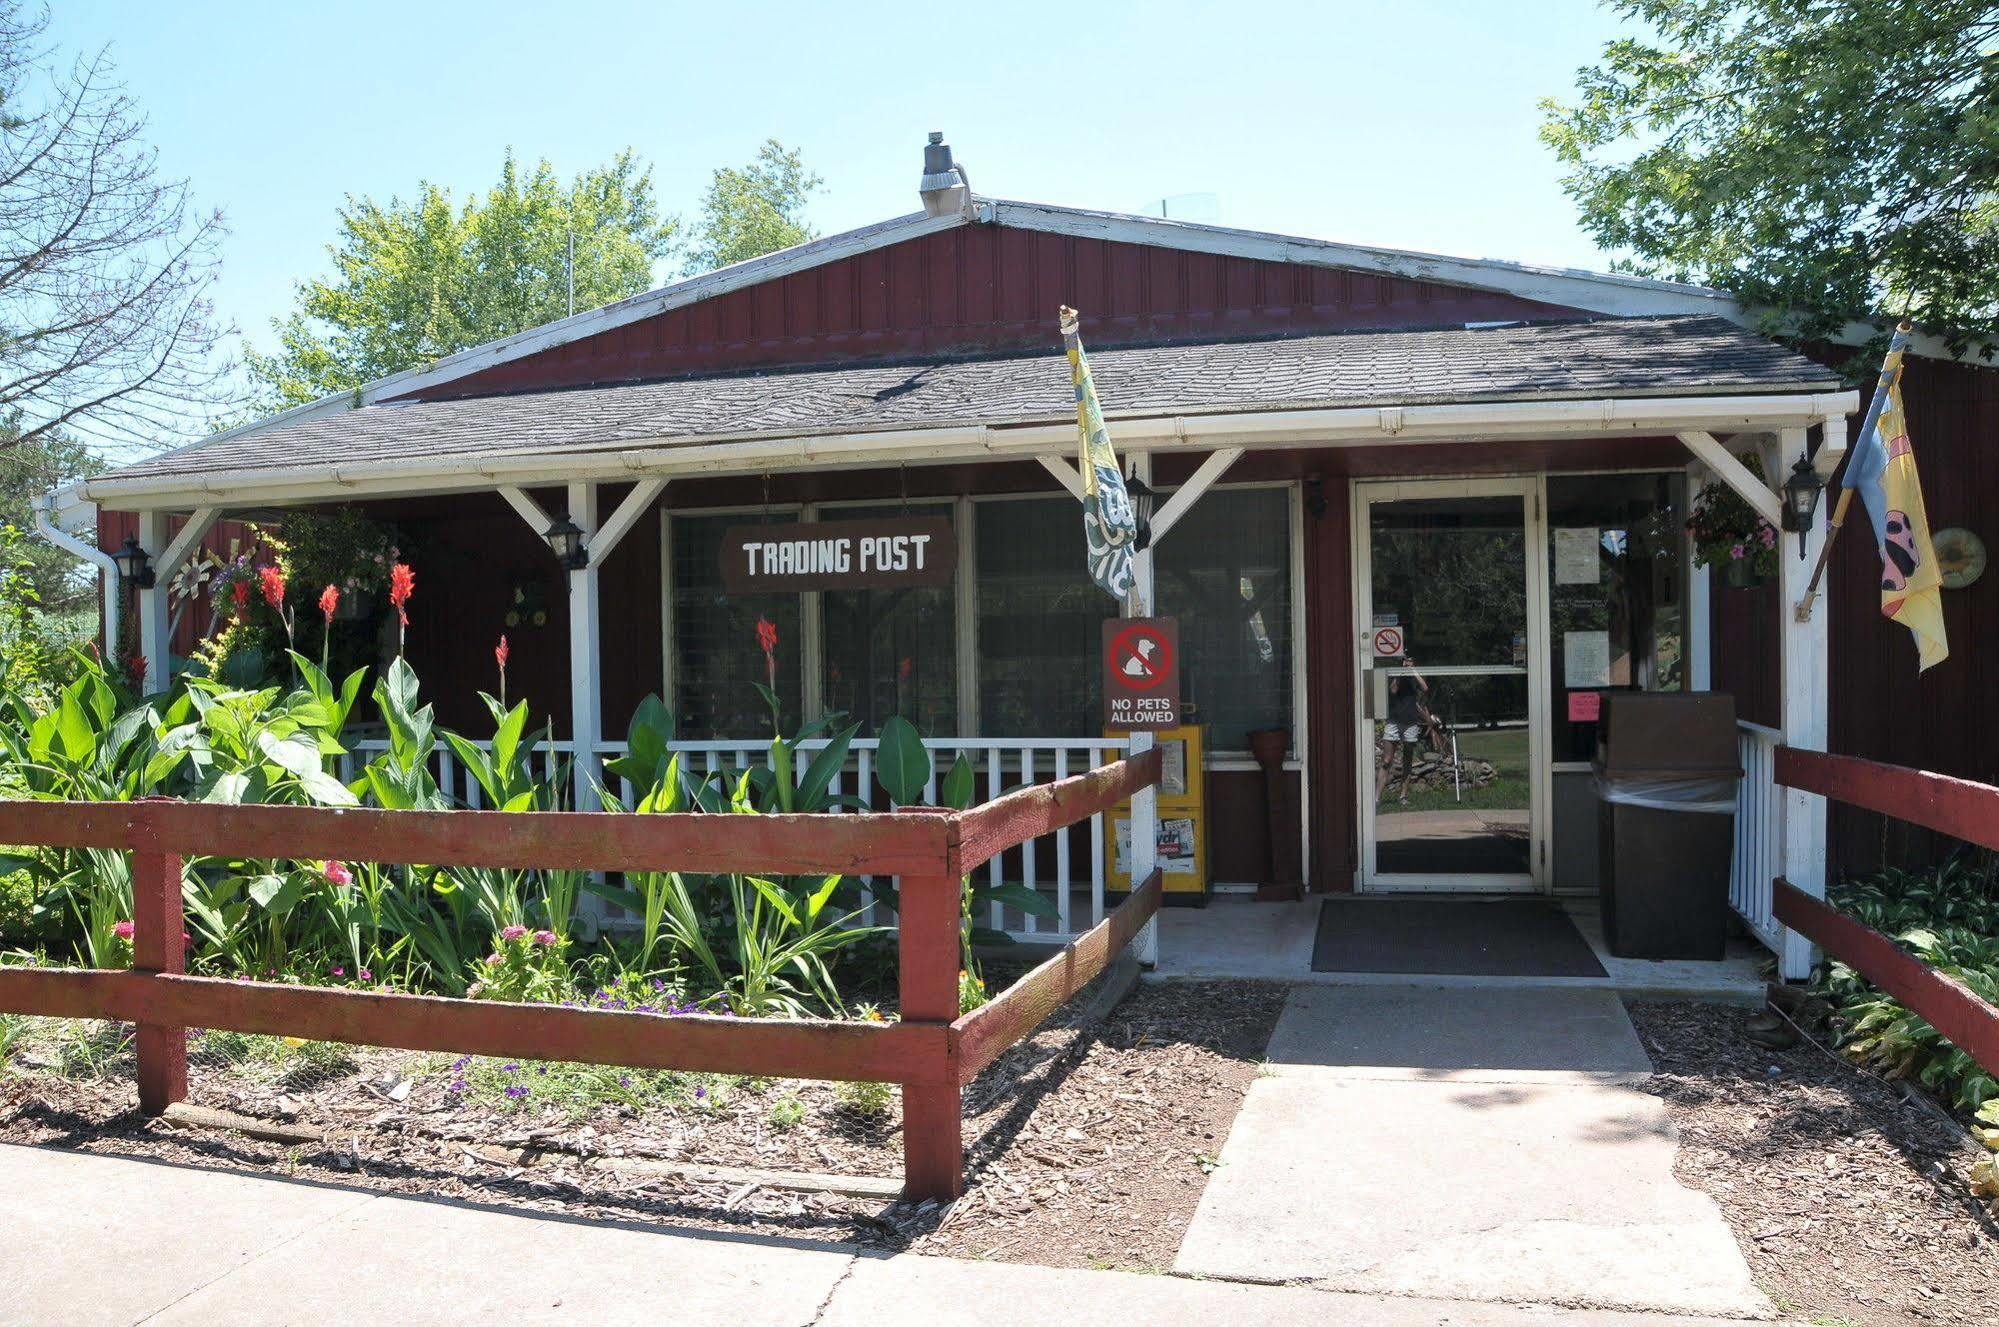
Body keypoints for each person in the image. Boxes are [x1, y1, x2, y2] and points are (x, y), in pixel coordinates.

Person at [1377, 655, 1430, 805]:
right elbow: (1393, 690)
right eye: (1405, 660)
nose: (1407, 663)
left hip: (1411, 723)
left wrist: (1413, 671)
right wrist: (1401, 673)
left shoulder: (1414, 678)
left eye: (1410, 660)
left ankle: (1403, 796)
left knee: (1407, 759)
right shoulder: (1395, 675)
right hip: (1394, 721)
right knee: (1387, 760)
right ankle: (1377, 797)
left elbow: (1425, 688)